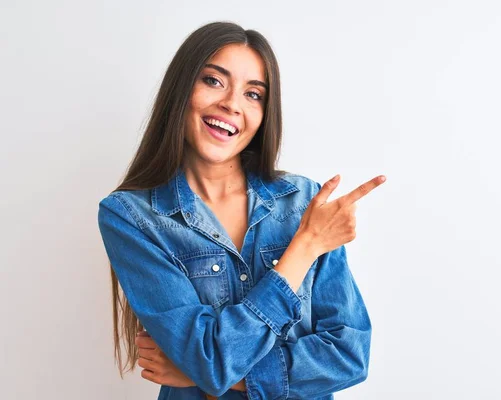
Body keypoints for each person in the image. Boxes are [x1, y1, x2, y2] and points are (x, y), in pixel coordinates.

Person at [97, 21, 386, 400]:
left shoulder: (304, 201)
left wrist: (218, 376)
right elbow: (211, 360)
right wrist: (303, 248)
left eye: (254, 94)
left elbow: (349, 356)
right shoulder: (131, 217)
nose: (232, 104)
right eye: (214, 81)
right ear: (181, 90)